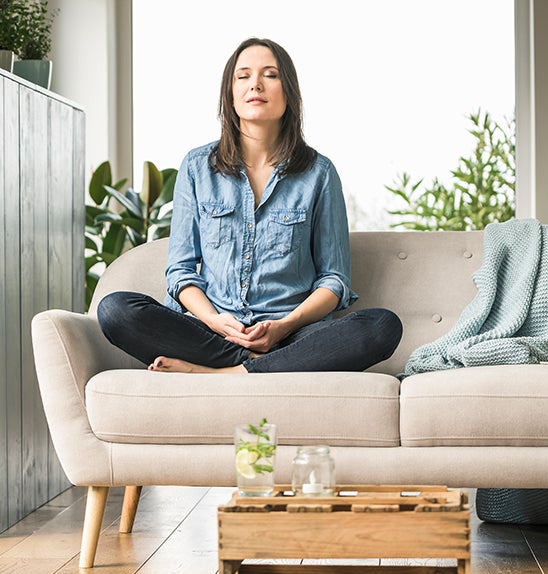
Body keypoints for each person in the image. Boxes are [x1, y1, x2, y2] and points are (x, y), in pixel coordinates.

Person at [97, 37, 402, 374]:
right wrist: (215, 321)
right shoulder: (197, 167)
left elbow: (334, 280)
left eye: (270, 75)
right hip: (213, 333)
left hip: (292, 335)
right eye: (243, 76)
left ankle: (224, 374)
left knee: (382, 326)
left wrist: (283, 327)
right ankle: (263, 368)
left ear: (289, 92)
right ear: (230, 94)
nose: (255, 84)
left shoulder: (320, 173)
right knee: (116, 309)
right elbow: (181, 271)